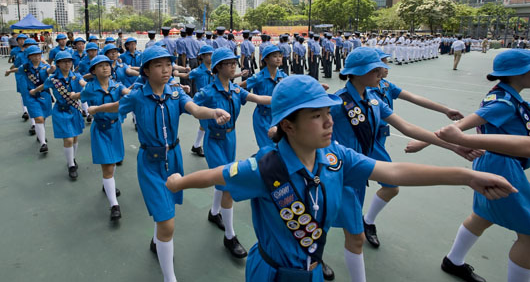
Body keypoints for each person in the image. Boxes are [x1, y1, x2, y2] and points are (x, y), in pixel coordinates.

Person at [165, 75, 515, 282]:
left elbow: (391, 172)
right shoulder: (266, 168)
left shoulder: (336, 158)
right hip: (271, 274)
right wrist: (179, 182)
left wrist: (465, 177)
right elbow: (217, 174)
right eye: (316, 116)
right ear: (288, 125)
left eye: (329, 113)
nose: (329, 121)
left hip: (313, 270)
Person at [332, 47, 482, 281]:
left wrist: (454, 146)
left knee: (344, 225)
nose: (382, 70)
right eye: (376, 67)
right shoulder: (336, 103)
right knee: (349, 234)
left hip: (361, 167)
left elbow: (408, 127)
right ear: (359, 72)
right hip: (340, 174)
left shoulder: (373, 99)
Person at [90, 46, 231, 282]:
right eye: (159, 65)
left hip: (173, 159)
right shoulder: (137, 96)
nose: (166, 70)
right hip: (150, 163)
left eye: (168, 64)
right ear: (146, 70)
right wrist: (96, 108)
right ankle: (170, 278)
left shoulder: (176, 94)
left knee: (167, 212)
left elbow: (195, 109)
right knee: (167, 223)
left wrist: (213, 111)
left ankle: (157, 242)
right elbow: (116, 106)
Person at [407, 49, 530, 282]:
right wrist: (424, 142)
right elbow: (460, 127)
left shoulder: (506, 95)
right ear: (520, 73)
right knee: (528, 235)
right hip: (501, 165)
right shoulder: (504, 103)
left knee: (482, 216)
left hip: (495, 161)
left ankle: (454, 260)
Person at [361, 48, 464, 247]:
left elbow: (414, 98)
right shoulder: (367, 92)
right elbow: (406, 127)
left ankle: (367, 221)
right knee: (374, 186)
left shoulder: (385, 85)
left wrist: (445, 110)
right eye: (382, 64)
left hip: (378, 139)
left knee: (388, 187)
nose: (386, 68)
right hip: (364, 141)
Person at [192, 47, 272, 258]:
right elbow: (192, 106)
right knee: (229, 184)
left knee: (223, 179)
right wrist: (208, 115)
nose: (233, 65)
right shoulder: (208, 92)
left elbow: (261, 99)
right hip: (215, 141)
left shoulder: (236, 90)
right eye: (229, 63)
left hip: (230, 138)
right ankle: (230, 236)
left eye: (234, 62)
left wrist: (287, 98)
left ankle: (214, 212)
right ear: (218, 67)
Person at [80, 55, 130, 221]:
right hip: (100, 130)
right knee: (108, 167)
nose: (105, 68)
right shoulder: (90, 88)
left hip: (115, 128)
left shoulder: (117, 85)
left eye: (107, 65)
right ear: (93, 71)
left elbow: (127, 92)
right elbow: (81, 97)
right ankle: (114, 205)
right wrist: (75, 100)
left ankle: (107, 185)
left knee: (114, 161)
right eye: (100, 66)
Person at [30, 51, 86, 179]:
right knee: (68, 138)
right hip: (61, 111)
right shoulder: (53, 79)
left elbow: (83, 83)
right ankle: (71, 165)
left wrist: (87, 85)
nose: (67, 64)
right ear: (58, 64)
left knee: (75, 138)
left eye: (69, 61)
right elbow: (43, 86)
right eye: (64, 61)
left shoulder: (76, 76)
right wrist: (34, 90)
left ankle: (73, 158)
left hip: (75, 109)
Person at [240, 45, 287, 149]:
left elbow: (294, 87)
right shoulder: (258, 77)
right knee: (267, 148)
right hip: (262, 118)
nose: (278, 58)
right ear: (266, 59)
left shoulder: (283, 77)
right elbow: (239, 86)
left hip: (279, 117)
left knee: (281, 147)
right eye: (274, 56)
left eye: (280, 55)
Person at [18, 45, 52, 154]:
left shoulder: (45, 67)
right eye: (34, 55)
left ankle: (40, 135)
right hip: (31, 96)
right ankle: (43, 143)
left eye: (38, 55)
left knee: (43, 118)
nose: (37, 57)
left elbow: (51, 71)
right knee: (39, 119)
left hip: (44, 95)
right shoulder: (24, 68)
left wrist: (52, 68)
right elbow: (17, 70)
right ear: (29, 56)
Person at [188, 45, 215, 157]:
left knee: (204, 126)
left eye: (211, 54)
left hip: (212, 101)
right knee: (207, 126)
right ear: (202, 57)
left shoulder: (215, 69)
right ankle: (208, 150)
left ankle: (196, 146)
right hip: (202, 103)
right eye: (208, 55)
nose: (210, 57)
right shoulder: (197, 71)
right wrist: (174, 73)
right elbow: (186, 75)